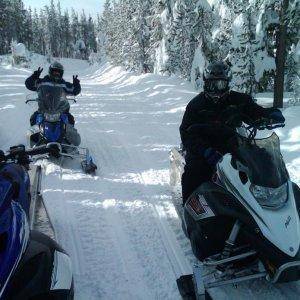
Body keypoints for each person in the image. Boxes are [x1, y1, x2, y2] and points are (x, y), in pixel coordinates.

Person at [180, 61, 285, 204]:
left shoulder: (238, 100)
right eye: (212, 84)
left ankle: (278, 198)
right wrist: (205, 151)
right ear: (205, 83)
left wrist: (270, 115)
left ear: (227, 84)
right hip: (205, 149)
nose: (216, 89)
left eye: (221, 84)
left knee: (265, 159)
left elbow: (255, 111)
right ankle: (189, 209)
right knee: (193, 173)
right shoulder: (196, 105)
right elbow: (186, 134)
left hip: (234, 144)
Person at [25, 61, 81, 146]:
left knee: (69, 118)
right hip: (44, 109)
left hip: (60, 110)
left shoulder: (63, 84)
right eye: (54, 71)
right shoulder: (42, 82)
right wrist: (34, 76)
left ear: (61, 73)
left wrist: (76, 84)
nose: (56, 74)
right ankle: (34, 142)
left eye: (58, 72)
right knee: (34, 118)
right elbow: (29, 84)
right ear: (50, 71)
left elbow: (75, 91)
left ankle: (69, 141)